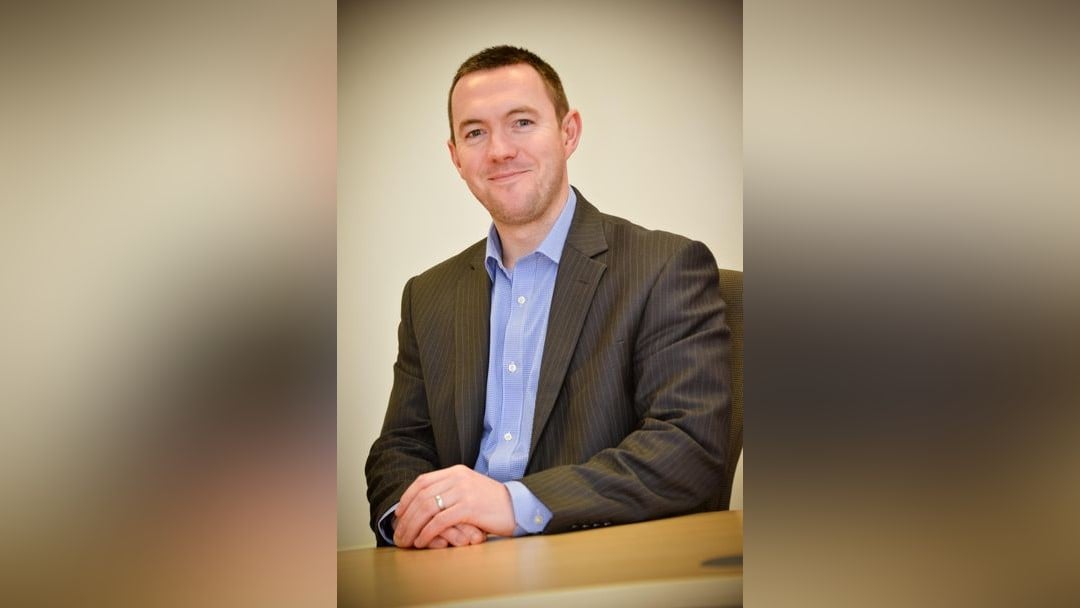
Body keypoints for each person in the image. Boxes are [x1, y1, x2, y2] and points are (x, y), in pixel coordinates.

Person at [365, 45, 730, 549]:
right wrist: (421, 519)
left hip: (598, 562)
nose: (499, 150)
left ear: (568, 132)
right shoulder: (426, 296)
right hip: (456, 562)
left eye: (521, 122)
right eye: (475, 132)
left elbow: (687, 447)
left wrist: (511, 505)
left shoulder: (664, 267)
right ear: (455, 157)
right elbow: (399, 447)